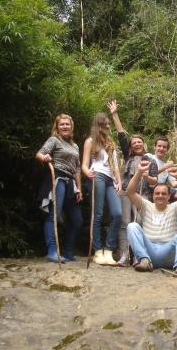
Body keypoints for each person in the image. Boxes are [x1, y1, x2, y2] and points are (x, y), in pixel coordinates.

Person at [107, 100, 157, 266]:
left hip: (142, 194)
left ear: (144, 145)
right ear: (130, 146)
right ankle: (124, 255)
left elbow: (154, 181)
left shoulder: (150, 159)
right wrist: (114, 114)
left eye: (139, 142)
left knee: (139, 223)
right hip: (126, 191)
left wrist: (145, 176)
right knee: (124, 223)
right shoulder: (129, 157)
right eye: (134, 142)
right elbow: (121, 135)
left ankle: (138, 255)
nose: (136, 143)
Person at [125, 160, 177, 276]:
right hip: (149, 252)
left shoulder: (175, 207)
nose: (160, 196)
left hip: (168, 253)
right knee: (132, 226)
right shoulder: (146, 206)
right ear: (153, 196)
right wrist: (139, 172)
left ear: (168, 197)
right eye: (157, 193)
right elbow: (130, 192)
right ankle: (144, 260)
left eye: (163, 194)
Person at [36, 114, 83, 262]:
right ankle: (52, 252)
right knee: (54, 215)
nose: (65, 127)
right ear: (57, 127)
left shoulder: (75, 146)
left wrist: (79, 188)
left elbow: (77, 169)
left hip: (71, 184)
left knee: (77, 220)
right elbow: (39, 154)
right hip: (57, 178)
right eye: (62, 124)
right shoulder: (54, 140)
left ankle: (68, 252)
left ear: (71, 127)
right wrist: (44, 158)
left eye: (67, 124)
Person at [82, 112, 122, 266]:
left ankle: (109, 250)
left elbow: (115, 166)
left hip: (111, 179)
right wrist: (87, 172)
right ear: (100, 124)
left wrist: (118, 182)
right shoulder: (90, 141)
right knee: (97, 214)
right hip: (97, 175)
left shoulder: (110, 143)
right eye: (106, 123)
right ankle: (98, 251)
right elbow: (84, 164)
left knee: (117, 213)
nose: (108, 125)